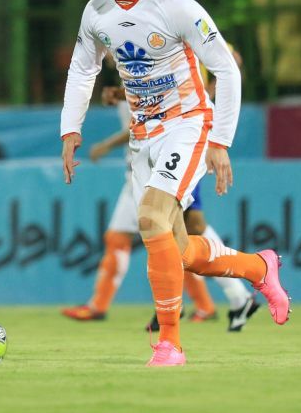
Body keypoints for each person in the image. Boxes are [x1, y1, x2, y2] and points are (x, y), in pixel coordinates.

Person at [60, 0, 290, 367]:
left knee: (150, 219)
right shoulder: (96, 13)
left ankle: (170, 344)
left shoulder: (175, 7)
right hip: (143, 136)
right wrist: (71, 128)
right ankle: (259, 268)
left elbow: (226, 69)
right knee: (182, 252)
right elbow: (83, 69)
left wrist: (220, 140)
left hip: (187, 125)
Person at [61, 87, 260, 332]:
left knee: (181, 229)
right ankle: (228, 295)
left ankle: (235, 287)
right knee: (175, 232)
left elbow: (176, 94)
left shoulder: (177, 65)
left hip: (176, 149)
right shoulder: (134, 72)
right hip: (153, 158)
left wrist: (108, 138)